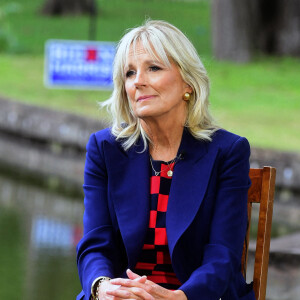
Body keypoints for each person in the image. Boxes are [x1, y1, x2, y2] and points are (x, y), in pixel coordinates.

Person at [76, 20, 256, 300]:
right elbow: (95, 246)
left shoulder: (228, 151)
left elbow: (222, 256)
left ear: (187, 82)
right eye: (129, 73)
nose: (138, 81)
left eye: (154, 68)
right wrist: (102, 287)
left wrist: (179, 297)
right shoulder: (104, 149)